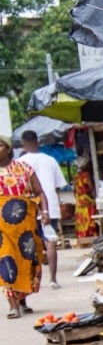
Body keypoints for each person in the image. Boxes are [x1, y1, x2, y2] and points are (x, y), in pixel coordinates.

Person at [0, 135, 47, 318]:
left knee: (27, 261)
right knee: (5, 261)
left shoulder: (24, 169)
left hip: (25, 225)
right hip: (2, 228)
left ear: (9, 148)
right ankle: (12, 304)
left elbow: (39, 192)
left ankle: (22, 301)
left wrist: (45, 212)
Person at [16, 130, 64, 288]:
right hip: (49, 206)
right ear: (38, 142)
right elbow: (58, 188)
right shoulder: (50, 160)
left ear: (23, 144)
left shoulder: (19, 163)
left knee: (28, 244)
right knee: (50, 241)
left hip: (28, 208)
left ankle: (29, 281)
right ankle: (53, 279)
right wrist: (54, 206)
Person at [73, 160, 98, 241]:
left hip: (79, 201)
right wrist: (96, 197)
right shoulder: (86, 175)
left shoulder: (75, 176)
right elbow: (91, 188)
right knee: (89, 218)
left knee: (80, 220)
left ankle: (82, 237)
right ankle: (90, 236)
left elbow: (74, 191)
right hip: (86, 201)